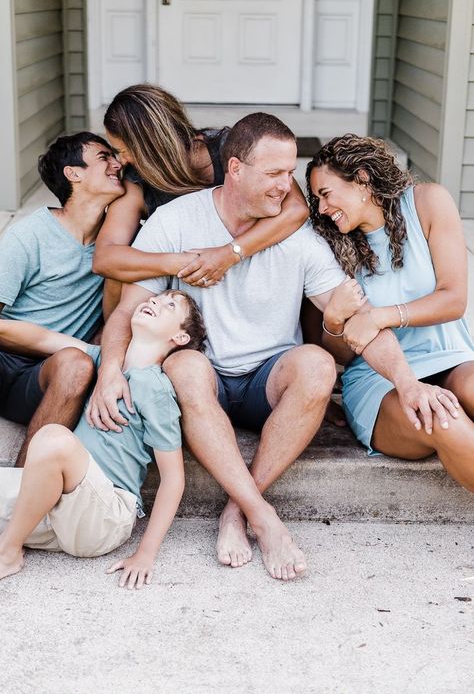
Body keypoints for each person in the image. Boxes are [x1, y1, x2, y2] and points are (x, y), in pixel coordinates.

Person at [86, 114, 450, 581]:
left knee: (317, 365)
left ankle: (239, 511)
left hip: (268, 382)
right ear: (235, 169)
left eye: (289, 172)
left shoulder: (296, 237)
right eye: (274, 174)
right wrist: (111, 370)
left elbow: (361, 323)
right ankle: (263, 516)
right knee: (186, 368)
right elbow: (125, 311)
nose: (288, 187)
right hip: (207, 380)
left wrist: (406, 382)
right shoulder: (176, 220)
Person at [0, 290, 206, 589]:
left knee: (54, 439)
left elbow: (174, 478)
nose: (154, 301)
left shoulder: (154, 387)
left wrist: (145, 554)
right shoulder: (100, 360)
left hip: (105, 516)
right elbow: (42, 338)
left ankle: (8, 552)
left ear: (180, 338)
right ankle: (17, 533)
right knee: (48, 448)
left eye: (169, 305)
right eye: (156, 297)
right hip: (59, 508)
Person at [306, 133, 474, 492]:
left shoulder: (428, 203)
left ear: (362, 179)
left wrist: (380, 316)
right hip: (377, 382)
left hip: (451, 358)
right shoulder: (328, 247)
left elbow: (453, 299)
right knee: (444, 420)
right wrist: (334, 322)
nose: (321, 209)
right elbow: (339, 354)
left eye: (326, 194)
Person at [92, 84, 309, 315]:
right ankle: (116, 340)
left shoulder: (226, 148)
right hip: (176, 292)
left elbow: (296, 209)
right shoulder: (137, 181)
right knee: (119, 273)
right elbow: (105, 258)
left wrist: (229, 254)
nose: (121, 161)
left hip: (244, 267)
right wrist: (182, 263)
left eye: (123, 151)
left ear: (148, 146)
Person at [0, 132, 124, 467]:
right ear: (74, 173)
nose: (118, 163)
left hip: (47, 373)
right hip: (5, 360)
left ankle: (21, 494)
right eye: (104, 157)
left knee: (75, 366)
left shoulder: (119, 244)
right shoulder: (30, 235)